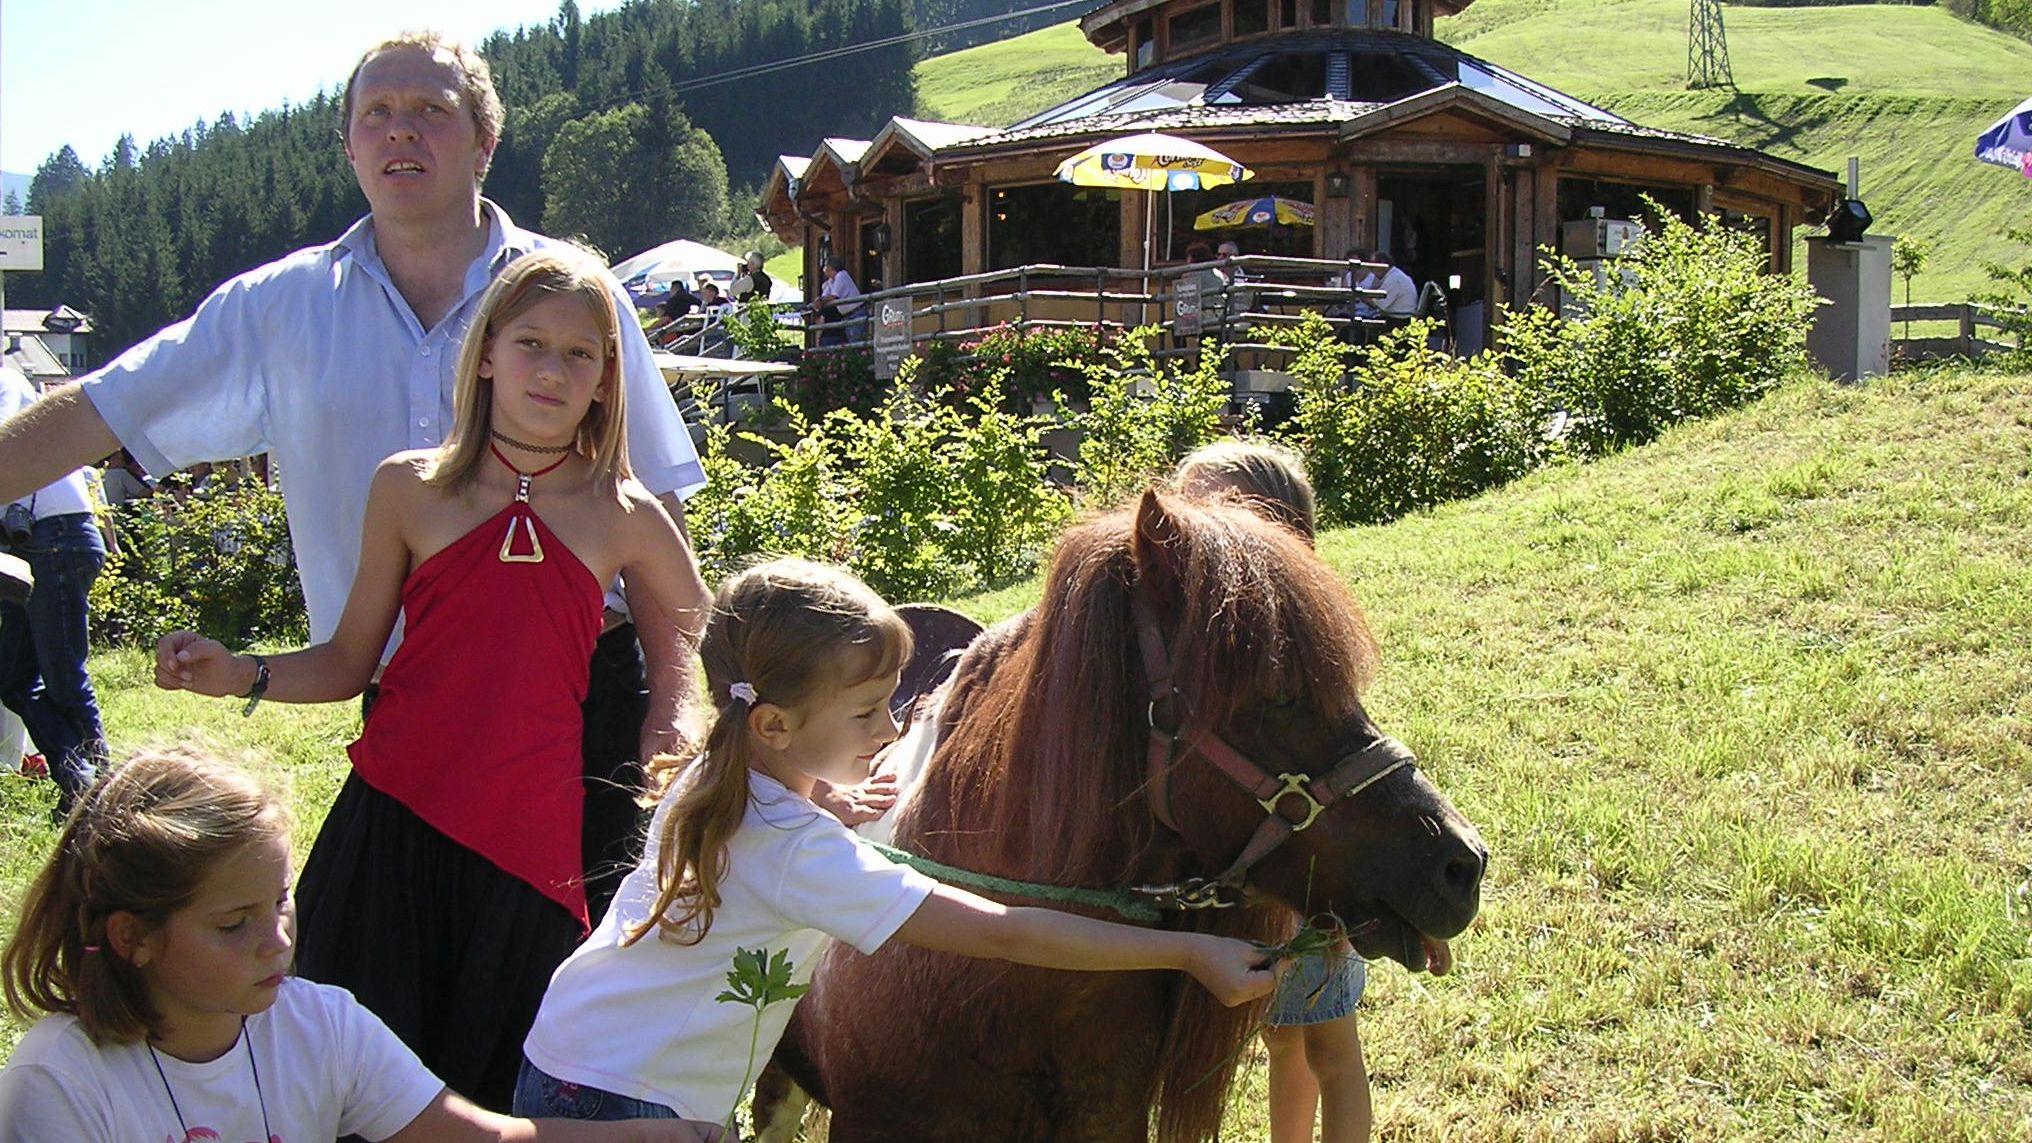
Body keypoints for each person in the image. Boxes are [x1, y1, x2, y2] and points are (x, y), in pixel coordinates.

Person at [0, 31, 710, 933]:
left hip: (584, 712)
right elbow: (103, 407)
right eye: (376, 113)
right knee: (375, 984)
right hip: (405, 712)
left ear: (485, 142)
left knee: (567, 990)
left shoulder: (575, 299)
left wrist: (673, 706)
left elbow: (658, 527)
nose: (400, 130)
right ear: (347, 145)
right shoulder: (278, 309)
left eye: (430, 111)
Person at [153, 248, 707, 1112]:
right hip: (395, 816)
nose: (552, 371)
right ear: (484, 355)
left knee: (494, 1082)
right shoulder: (408, 487)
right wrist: (238, 673)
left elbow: (694, 619)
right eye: (530, 343)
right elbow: (348, 662)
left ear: (608, 378)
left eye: (580, 353)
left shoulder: (622, 508)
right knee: (354, 1074)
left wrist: (677, 713)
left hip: (531, 839)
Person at [515, 559, 1279, 1123]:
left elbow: (775, 812)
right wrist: (1187, 951)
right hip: (628, 1099)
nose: (891, 729)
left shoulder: (721, 769)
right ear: (774, 723)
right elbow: (1005, 931)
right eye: (867, 711)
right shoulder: (800, 855)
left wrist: (831, 799)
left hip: (580, 1049)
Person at [0, 746, 725, 1143]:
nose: (277, 939)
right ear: (133, 937)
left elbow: (481, 1139)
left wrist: (651, 1138)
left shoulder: (321, 1025)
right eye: (233, 923)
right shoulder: (59, 1083)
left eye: (280, 901)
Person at [1174, 440, 1429, 1143]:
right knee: (1284, 1037)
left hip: (1310, 887)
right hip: (1253, 881)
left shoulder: (1297, 648)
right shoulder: (1210, 639)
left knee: (1331, 1048)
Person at [0, 365, 108, 820]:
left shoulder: (4, 380)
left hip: (56, 536)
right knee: (11, 677)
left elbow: (7, 437)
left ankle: (104, 794)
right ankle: (82, 781)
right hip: (35, 543)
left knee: (63, 676)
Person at [812, 257, 863, 347]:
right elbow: (825, 295)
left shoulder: (841, 275)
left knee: (856, 342)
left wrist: (820, 300)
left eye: (825, 267)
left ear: (830, 268)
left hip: (856, 313)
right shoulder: (831, 281)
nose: (824, 270)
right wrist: (820, 300)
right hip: (848, 315)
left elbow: (834, 296)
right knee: (851, 343)